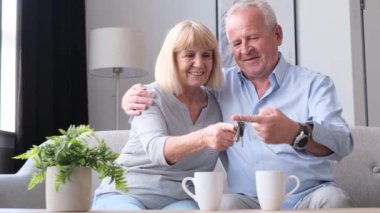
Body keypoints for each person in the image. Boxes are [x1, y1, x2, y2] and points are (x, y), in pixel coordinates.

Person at [122, 0, 354, 210]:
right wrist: (131, 97)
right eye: (237, 42)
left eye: (253, 38)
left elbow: (343, 143)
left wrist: (295, 132)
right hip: (247, 200)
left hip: (308, 196)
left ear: (277, 35)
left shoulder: (314, 85)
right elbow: (182, 86)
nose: (245, 49)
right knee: (223, 205)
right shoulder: (220, 86)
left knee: (336, 200)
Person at [92, 20, 237, 210]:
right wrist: (204, 137)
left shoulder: (219, 101)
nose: (199, 63)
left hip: (182, 199)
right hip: (127, 192)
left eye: (206, 55)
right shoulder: (147, 96)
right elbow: (156, 148)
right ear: (172, 59)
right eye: (189, 55)